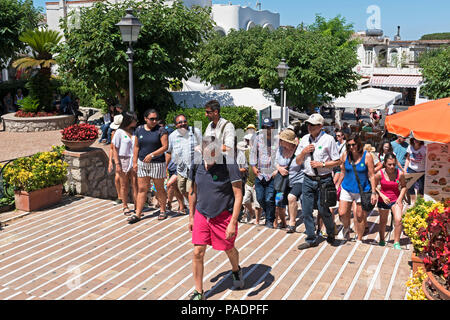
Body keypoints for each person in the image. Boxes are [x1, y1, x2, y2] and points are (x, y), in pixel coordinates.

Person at [188, 135, 244, 300]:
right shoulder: (197, 163)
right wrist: (191, 216)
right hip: (201, 213)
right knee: (198, 251)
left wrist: (233, 222)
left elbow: (238, 194)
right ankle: (199, 292)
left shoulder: (229, 164)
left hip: (223, 215)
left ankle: (236, 270)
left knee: (228, 248)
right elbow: (193, 190)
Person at [295, 113, 341, 250]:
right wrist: (303, 152)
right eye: (308, 124)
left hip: (324, 179)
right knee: (306, 210)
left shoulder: (329, 139)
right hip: (308, 179)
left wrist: (322, 164)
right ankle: (311, 238)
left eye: (313, 125)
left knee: (323, 209)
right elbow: (297, 162)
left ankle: (331, 233)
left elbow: (338, 161)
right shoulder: (304, 139)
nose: (309, 127)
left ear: (320, 126)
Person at [336, 133, 377, 242]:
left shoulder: (367, 156)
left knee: (359, 216)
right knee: (342, 213)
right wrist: (337, 185)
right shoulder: (345, 155)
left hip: (362, 190)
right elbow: (342, 171)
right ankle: (346, 228)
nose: (351, 147)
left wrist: (373, 192)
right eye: (349, 145)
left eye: (353, 145)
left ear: (358, 144)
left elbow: (372, 175)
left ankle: (359, 238)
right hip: (347, 187)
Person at [131, 109, 169, 224]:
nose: (154, 121)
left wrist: (152, 155)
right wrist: (134, 162)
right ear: (145, 119)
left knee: (159, 188)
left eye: (156, 119)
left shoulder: (161, 130)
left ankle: (163, 210)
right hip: (143, 163)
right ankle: (138, 213)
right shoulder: (139, 129)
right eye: (152, 119)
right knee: (142, 189)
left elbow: (165, 146)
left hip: (157, 163)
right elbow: (136, 146)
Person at [166, 113, 202, 215]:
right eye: (180, 122)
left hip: (194, 167)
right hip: (181, 169)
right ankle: (194, 203)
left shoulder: (195, 132)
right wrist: (165, 166)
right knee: (182, 189)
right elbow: (169, 152)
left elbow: (204, 145)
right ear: (176, 125)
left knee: (191, 189)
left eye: (184, 121)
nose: (183, 124)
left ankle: (194, 211)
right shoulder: (172, 136)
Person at [249, 118, 278, 229]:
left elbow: (280, 155)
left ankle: (270, 220)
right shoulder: (258, 138)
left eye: (269, 127)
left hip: (272, 174)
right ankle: (269, 214)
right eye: (264, 127)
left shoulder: (277, 139)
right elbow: (253, 153)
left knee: (269, 198)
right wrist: (253, 167)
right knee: (260, 198)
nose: (267, 130)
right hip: (260, 173)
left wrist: (276, 170)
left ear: (273, 128)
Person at [374, 153, 407, 249]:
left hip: (395, 199)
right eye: (389, 164)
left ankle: (396, 242)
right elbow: (374, 186)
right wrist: (381, 195)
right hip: (383, 200)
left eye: (393, 164)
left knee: (398, 219)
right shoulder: (380, 174)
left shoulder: (399, 174)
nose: (392, 167)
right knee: (383, 221)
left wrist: (400, 199)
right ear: (384, 163)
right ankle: (382, 239)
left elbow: (404, 186)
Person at [275, 129, 304, 234]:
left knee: (291, 197)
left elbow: (304, 165)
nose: (280, 141)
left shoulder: (299, 151)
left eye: (282, 140)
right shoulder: (280, 149)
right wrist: (279, 168)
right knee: (278, 201)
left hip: (298, 179)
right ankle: (282, 221)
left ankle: (292, 223)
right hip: (283, 180)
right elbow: (275, 162)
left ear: (287, 141)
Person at [112, 112, 138, 217]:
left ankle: (137, 206)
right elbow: (114, 148)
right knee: (124, 184)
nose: (136, 122)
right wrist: (117, 163)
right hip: (123, 160)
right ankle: (125, 205)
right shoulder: (119, 132)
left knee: (135, 184)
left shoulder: (135, 131)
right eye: (134, 120)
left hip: (134, 160)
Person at [242, 134, 263, 224]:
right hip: (249, 181)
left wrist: (258, 180)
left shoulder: (261, 153)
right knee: (245, 201)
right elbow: (246, 166)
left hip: (258, 181)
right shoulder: (246, 152)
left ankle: (257, 220)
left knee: (257, 203)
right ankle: (252, 212)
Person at [404, 138, 426, 206]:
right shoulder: (409, 147)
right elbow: (407, 159)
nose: (416, 140)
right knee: (410, 185)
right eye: (415, 139)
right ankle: (413, 201)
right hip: (412, 168)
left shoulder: (424, 148)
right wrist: (405, 169)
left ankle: (420, 202)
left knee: (421, 187)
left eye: (418, 139)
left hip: (422, 170)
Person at [108, 114, 124, 205]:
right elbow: (111, 148)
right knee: (117, 178)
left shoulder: (130, 132)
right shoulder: (113, 133)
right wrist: (110, 161)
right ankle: (120, 197)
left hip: (128, 158)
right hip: (118, 159)